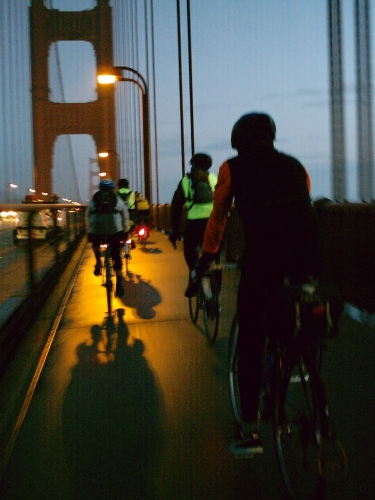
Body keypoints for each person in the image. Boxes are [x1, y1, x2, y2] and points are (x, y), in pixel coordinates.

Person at [192, 113, 324, 457]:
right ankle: (319, 409)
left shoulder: (232, 168)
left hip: (262, 263)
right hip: (307, 262)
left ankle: (250, 431)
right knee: (305, 327)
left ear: (239, 141)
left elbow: (219, 216)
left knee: (250, 341)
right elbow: (303, 208)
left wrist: (208, 257)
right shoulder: (296, 167)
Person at [169, 153, 218, 296]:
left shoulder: (185, 181)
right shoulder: (214, 179)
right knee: (214, 253)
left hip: (195, 224)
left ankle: (195, 273)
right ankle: (215, 296)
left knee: (189, 250)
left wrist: (175, 230)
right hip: (213, 223)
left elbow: (176, 206)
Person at [88, 178, 130, 297]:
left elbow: (88, 214)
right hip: (114, 230)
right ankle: (120, 281)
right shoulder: (117, 199)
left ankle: (98, 263)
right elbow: (125, 215)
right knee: (116, 255)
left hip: (97, 229)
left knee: (95, 244)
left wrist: (89, 231)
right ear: (113, 189)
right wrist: (125, 230)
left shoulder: (95, 199)